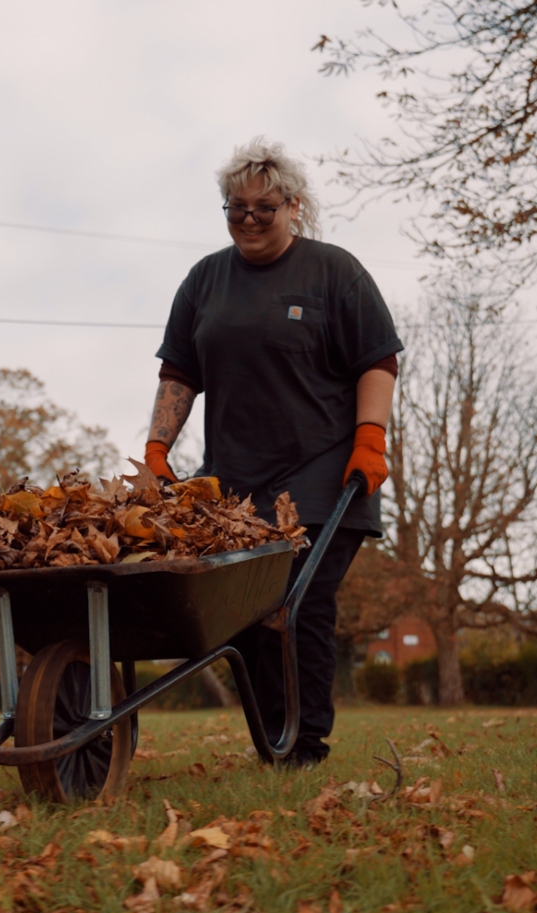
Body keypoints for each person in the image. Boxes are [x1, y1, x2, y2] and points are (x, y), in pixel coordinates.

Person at [145, 137, 402, 767]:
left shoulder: (334, 272)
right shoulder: (206, 280)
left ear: (293, 206)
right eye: (238, 209)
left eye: (265, 207)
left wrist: (371, 438)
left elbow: (379, 359)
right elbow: (179, 373)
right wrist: (156, 450)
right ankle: (274, 742)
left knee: (299, 602)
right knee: (241, 615)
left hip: (323, 474)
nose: (251, 219)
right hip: (233, 483)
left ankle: (304, 745)